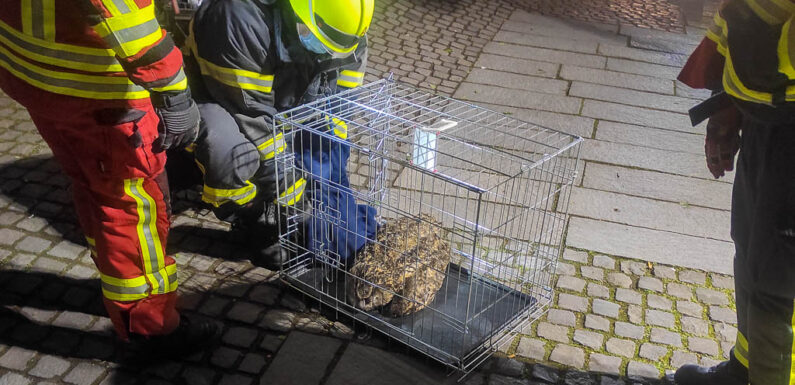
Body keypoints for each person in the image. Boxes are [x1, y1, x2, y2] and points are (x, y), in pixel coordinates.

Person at [0, 0, 218, 354]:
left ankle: (116, 281)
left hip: (37, 81)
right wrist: (174, 92)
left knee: (94, 188)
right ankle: (150, 325)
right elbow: (128, 20)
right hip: (103, 95)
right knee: (132, 207)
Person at [183, 0, 377, 269]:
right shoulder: (237, 19)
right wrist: (298, 204)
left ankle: (293, 213)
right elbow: (253, 121)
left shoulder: (345, 26)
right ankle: (254, 218)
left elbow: (339, 107)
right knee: (229, 151)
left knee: (318, 171)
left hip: (280, 100)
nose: (326, 54)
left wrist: (332, 180)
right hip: (220, 103)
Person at [677, 0, 795, 383]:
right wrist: (728, 106)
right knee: (752, 253)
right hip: (766, 116)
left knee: (779, 280)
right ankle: (747, 368)